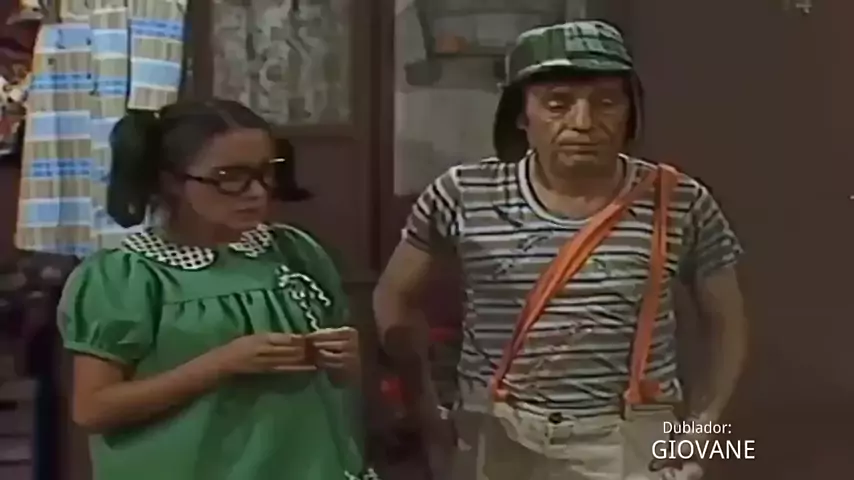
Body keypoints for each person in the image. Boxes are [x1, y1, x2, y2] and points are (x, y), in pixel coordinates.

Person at [373, 20, 748, 480]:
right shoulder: (462, 193)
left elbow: (727, 323)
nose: (583, 122)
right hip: (496, 434)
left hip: (630, 438)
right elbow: (393, 296)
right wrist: (426, 412)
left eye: (606, 102)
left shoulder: (681, 201)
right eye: (558, 103)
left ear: (630, 113)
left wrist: (703, 429)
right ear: (521, 114)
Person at [58, 99, 378, 480]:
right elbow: (93, 409)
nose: (256, 192)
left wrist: (345, 359)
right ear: (171, 181)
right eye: (230, 177)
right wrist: (223, 364)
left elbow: (343, 380)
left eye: (267, 172)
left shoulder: (294, 252)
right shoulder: (129, 276)